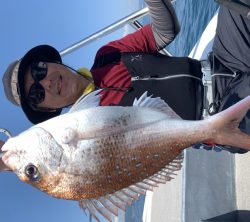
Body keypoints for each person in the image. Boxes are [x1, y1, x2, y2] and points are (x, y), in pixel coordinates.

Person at [1, 0, 250, 172]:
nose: (47, 81)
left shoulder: (107, 55)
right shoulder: (87, 139)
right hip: (220, 115)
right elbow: (67, 170)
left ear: (51, 62)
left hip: (220, 61)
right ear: (46, 111)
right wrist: (13, 161)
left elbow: (165, 32)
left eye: (39, 70)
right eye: (37, 93)